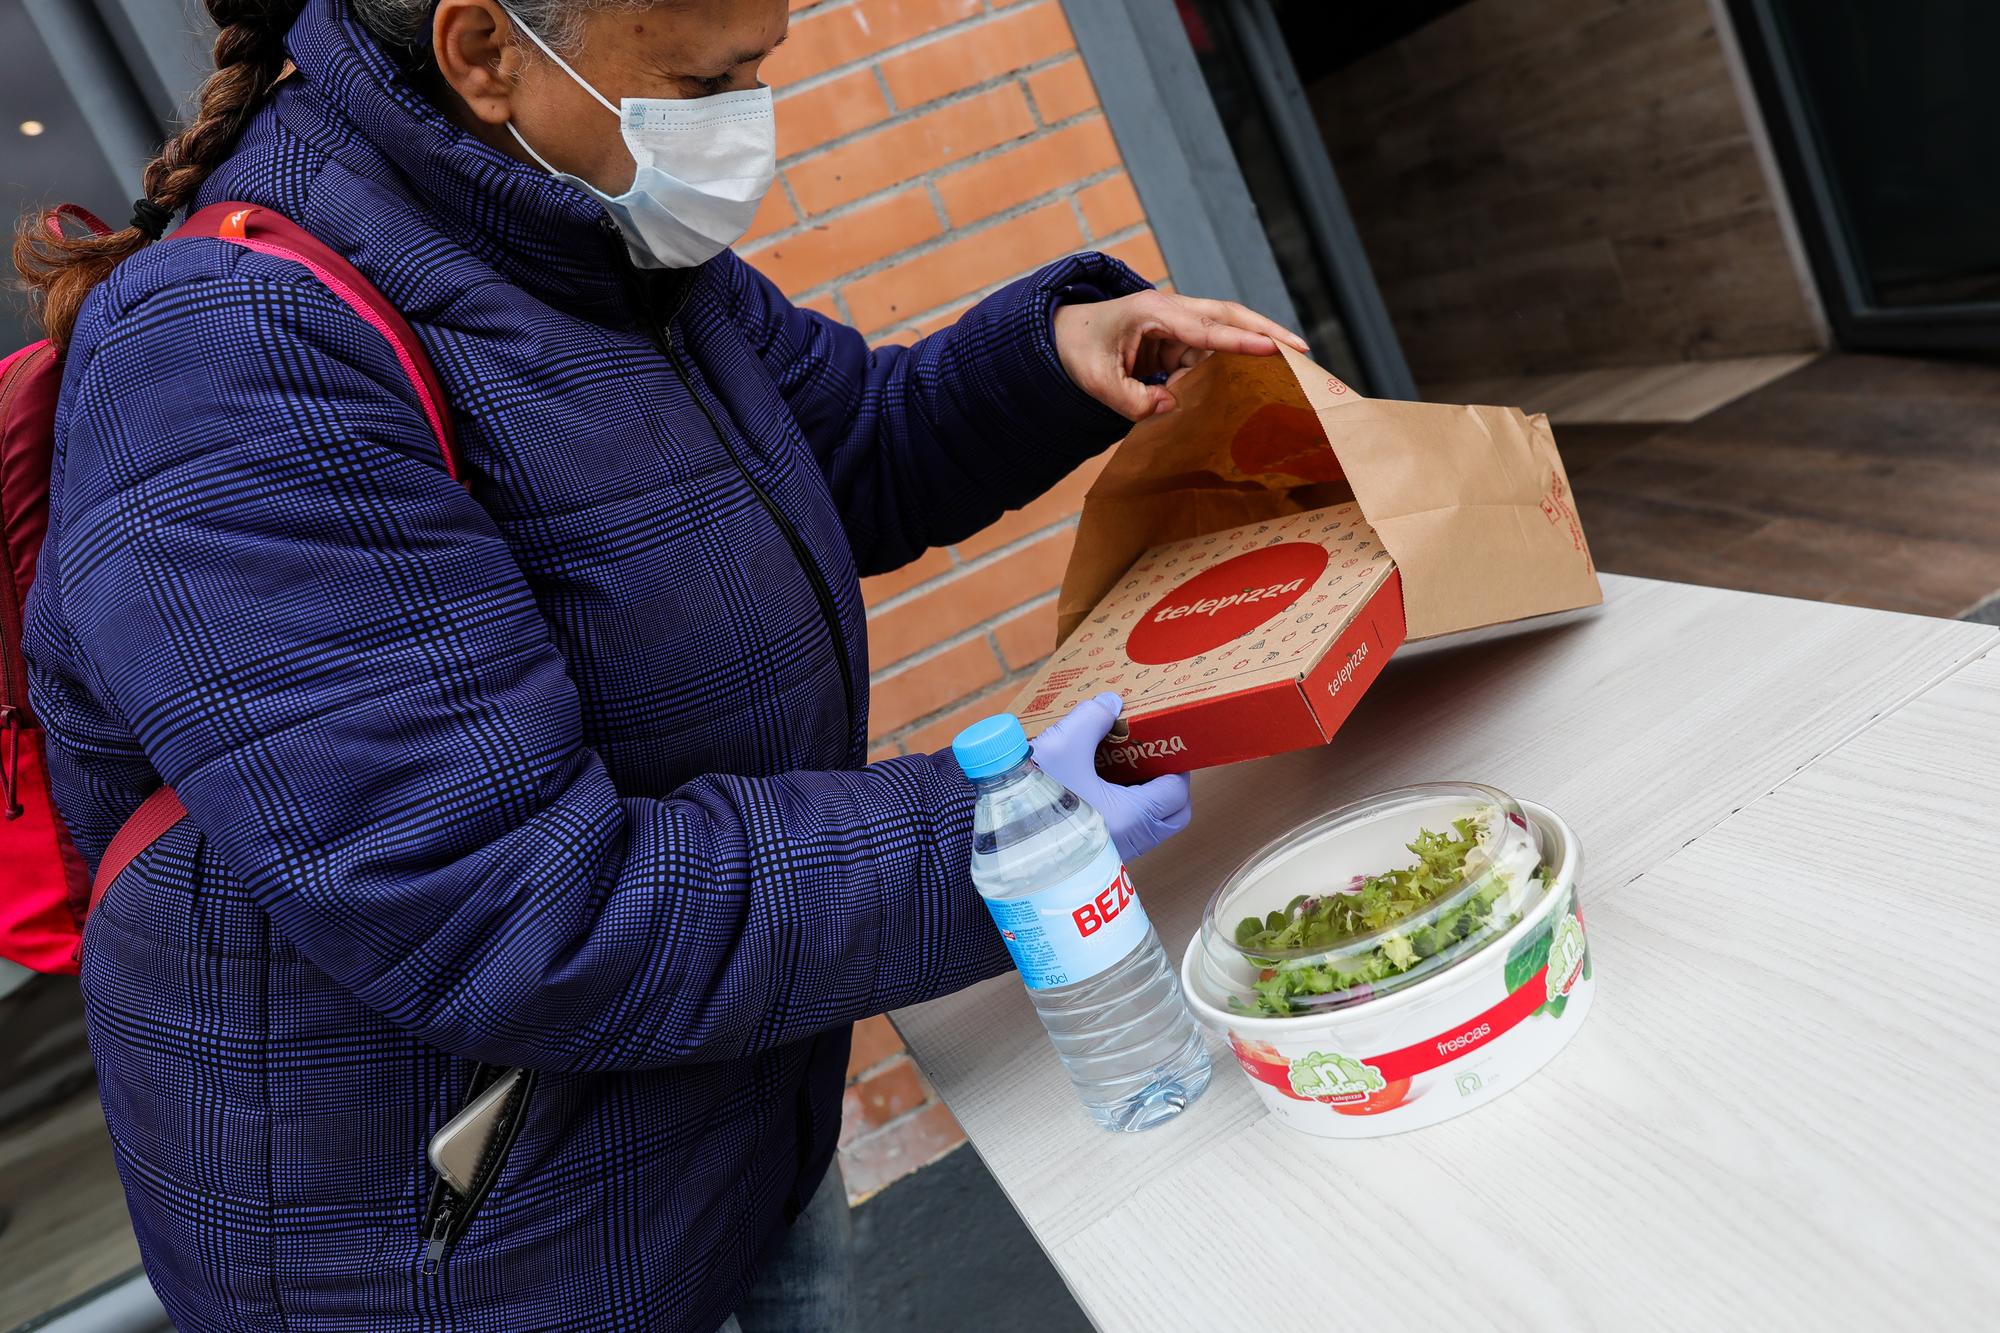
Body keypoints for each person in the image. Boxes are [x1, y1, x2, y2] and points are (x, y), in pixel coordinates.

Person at [12, 1, 1304, 1329]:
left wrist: (1048, 360)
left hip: (707, 1132)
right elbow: (515, 908)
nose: (746, 117)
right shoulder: (232, 360)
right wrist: (1007, 833)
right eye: (711, 78)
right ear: (483, 53)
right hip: (483, 1260)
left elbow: (839, 446)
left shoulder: (578, 216)